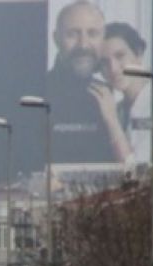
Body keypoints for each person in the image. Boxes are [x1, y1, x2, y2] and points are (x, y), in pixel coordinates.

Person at [48, 0, 117, 163]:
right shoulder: (37, 95)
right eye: (72, 34)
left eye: (92, 34)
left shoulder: (110, 92)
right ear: (56, 39)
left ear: (103, 37)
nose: (83, 45)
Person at [91, 22, 152, 167]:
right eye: (104, 62)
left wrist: (112, 121)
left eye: (120, 56)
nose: (113, 68)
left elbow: (136, 171)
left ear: (139, 53)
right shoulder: (116, 109)